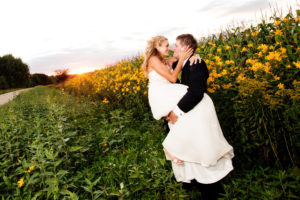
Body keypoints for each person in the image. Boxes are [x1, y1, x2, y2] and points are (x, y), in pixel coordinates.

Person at [142, 34, 234, 200]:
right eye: (167, 46)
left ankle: (206, 184)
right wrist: (184, 58)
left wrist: (176, 112)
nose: (172, 49)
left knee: (194, 143)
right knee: (184, 142)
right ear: (156, 47)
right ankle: (190, 180)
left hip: (189, 109)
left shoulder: (195, 63)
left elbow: (196, 92)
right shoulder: (172, 61)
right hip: (169, 100)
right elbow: (174, 75)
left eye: (175, 46)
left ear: (184, 48)